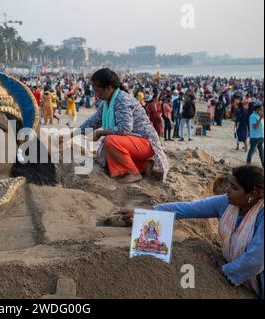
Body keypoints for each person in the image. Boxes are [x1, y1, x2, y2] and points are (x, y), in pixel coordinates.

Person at [109, 165, 264, 299]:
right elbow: (188, 208)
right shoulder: (226, 202)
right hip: (240, 273)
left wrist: (222, 272)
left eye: (234, 188)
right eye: (229, 184)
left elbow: (256, 258)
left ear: (253, 194)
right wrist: (145, 213)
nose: (228, 190)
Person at [79, 68, 169, 184]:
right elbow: (92, 122)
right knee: (106, 156)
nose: (96, 95)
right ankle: (143, 166)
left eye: (98, 91)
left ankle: (133, 173)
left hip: (146, 143)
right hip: (133, 143)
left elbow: (124, 129)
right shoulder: (106, 103)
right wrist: (72, 133)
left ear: (108, 88)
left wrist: (100, 132)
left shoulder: (123, 100)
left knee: (110, 141)